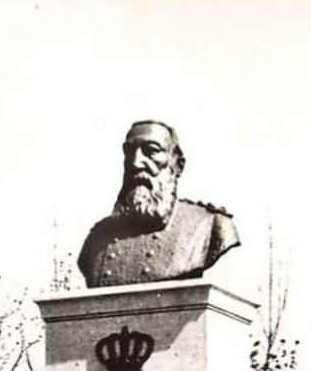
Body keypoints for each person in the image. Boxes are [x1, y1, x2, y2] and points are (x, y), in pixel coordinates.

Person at [78, 120, 239, 288]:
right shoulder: (97, 238)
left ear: (178, 165)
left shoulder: (212, 226)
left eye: (151, 151)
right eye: (129, 152)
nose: (135, 163)